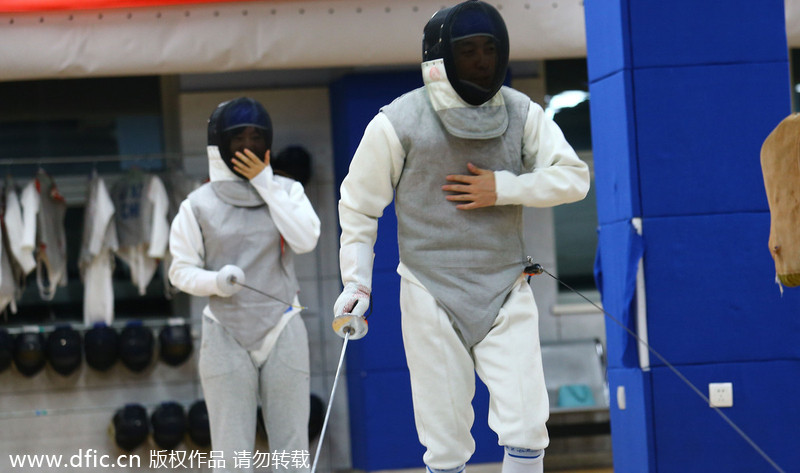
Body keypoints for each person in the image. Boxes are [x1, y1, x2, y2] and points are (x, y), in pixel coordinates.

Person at [333, 2, 591, 473]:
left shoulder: (521, 112)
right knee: (446, 442)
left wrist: (504, 186)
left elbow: (574, 177)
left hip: (506, 288)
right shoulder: (398, 121)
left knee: (529, 427)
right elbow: (359, 206)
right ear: (441, 59)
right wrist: (356, 283)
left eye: (489, 50)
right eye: (468, 50)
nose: (481, 61)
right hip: (430, 290)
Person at [169, 97, 320, 473]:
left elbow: (306, 240)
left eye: (256, 137)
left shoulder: (287, 191)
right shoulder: (197, 204)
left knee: (291, 448)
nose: (248, 146)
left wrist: (266, 183)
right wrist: (216, 282)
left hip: (282, 325)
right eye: (238, 138)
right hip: (225, 331)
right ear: (220, 143)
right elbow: (180, 270)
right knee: (232, 454)